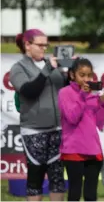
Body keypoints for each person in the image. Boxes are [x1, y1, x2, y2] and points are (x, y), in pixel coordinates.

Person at [9, 29, 66, 201]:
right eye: (40, 45)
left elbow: (65, 88)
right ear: (27, 45)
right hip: (34, 130)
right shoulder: (18, 68)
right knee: (36, 178)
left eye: (46, 45)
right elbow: (29, 91)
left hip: (58, 128)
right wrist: (47, 69)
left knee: (57, 179)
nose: (44, 49)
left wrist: (71, 70)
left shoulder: (52, 66)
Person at [58, 58, 104, 201]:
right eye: (82, 75)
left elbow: (99, 124)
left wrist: (102, 105)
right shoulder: (64, 93)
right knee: (74, 192)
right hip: (73, 149)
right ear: (72, 75)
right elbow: (72, 118)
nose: (86, 79)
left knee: (91, 194)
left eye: (89, 75)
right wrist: (83, 96)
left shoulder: (94, 94)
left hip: (94, 149)